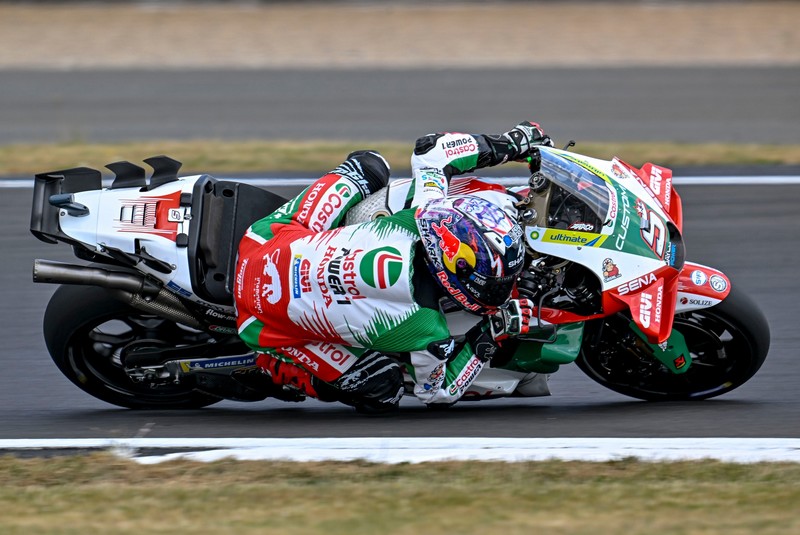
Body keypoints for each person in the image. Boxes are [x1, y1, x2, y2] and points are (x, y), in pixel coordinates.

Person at [233, 121, 554, 413]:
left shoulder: (425, 213)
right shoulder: (430, 331)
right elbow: (438, 392)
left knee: (368, 165)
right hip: (259, 325)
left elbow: (432, 150)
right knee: (384, 389)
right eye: (494, 280)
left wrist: (512, 143)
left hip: (263, 240)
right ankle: (271, 366)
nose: (499, 286)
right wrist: (491, 332)